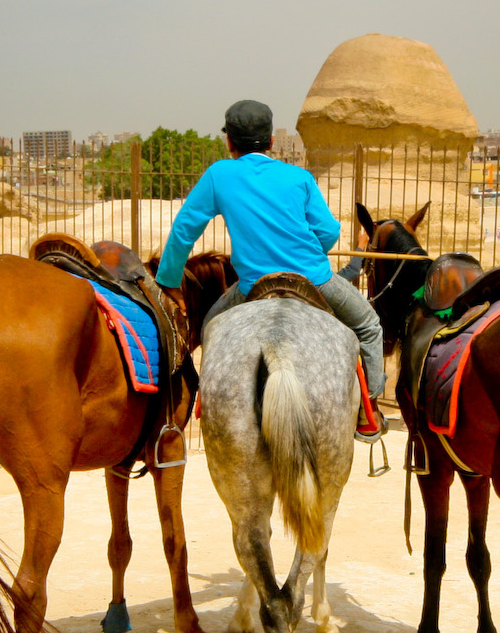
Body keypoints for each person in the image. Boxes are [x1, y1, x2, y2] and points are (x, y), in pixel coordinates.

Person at [154, 99, 386, 439]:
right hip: (315, 280)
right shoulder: (299, 176)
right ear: (271, 142)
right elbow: (329, 231)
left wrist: (169, 280)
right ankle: (370, 412)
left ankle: (208, 402)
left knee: (208, 327)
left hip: (252, 286)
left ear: (229, 142)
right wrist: (306, 257)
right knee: (368, 324)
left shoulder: (219, 174)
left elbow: (184, 230)